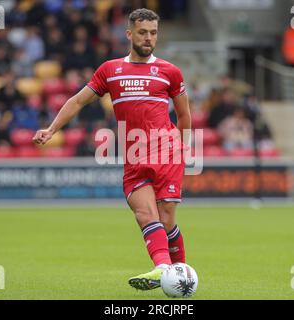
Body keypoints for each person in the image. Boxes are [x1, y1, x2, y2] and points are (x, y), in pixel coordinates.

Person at [33, 8, 191, 291]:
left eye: (153, 33)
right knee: (145, 214)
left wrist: (185, 148)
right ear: (129, 34)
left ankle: (179, 275)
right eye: (142, 32)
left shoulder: (169, 71)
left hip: (167, 151)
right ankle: (164, 269)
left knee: (166, 218)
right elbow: (78, 101)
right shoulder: (110, 70)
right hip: (133, 156)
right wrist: (51, 129)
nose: (148, 38)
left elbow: (184, 116)